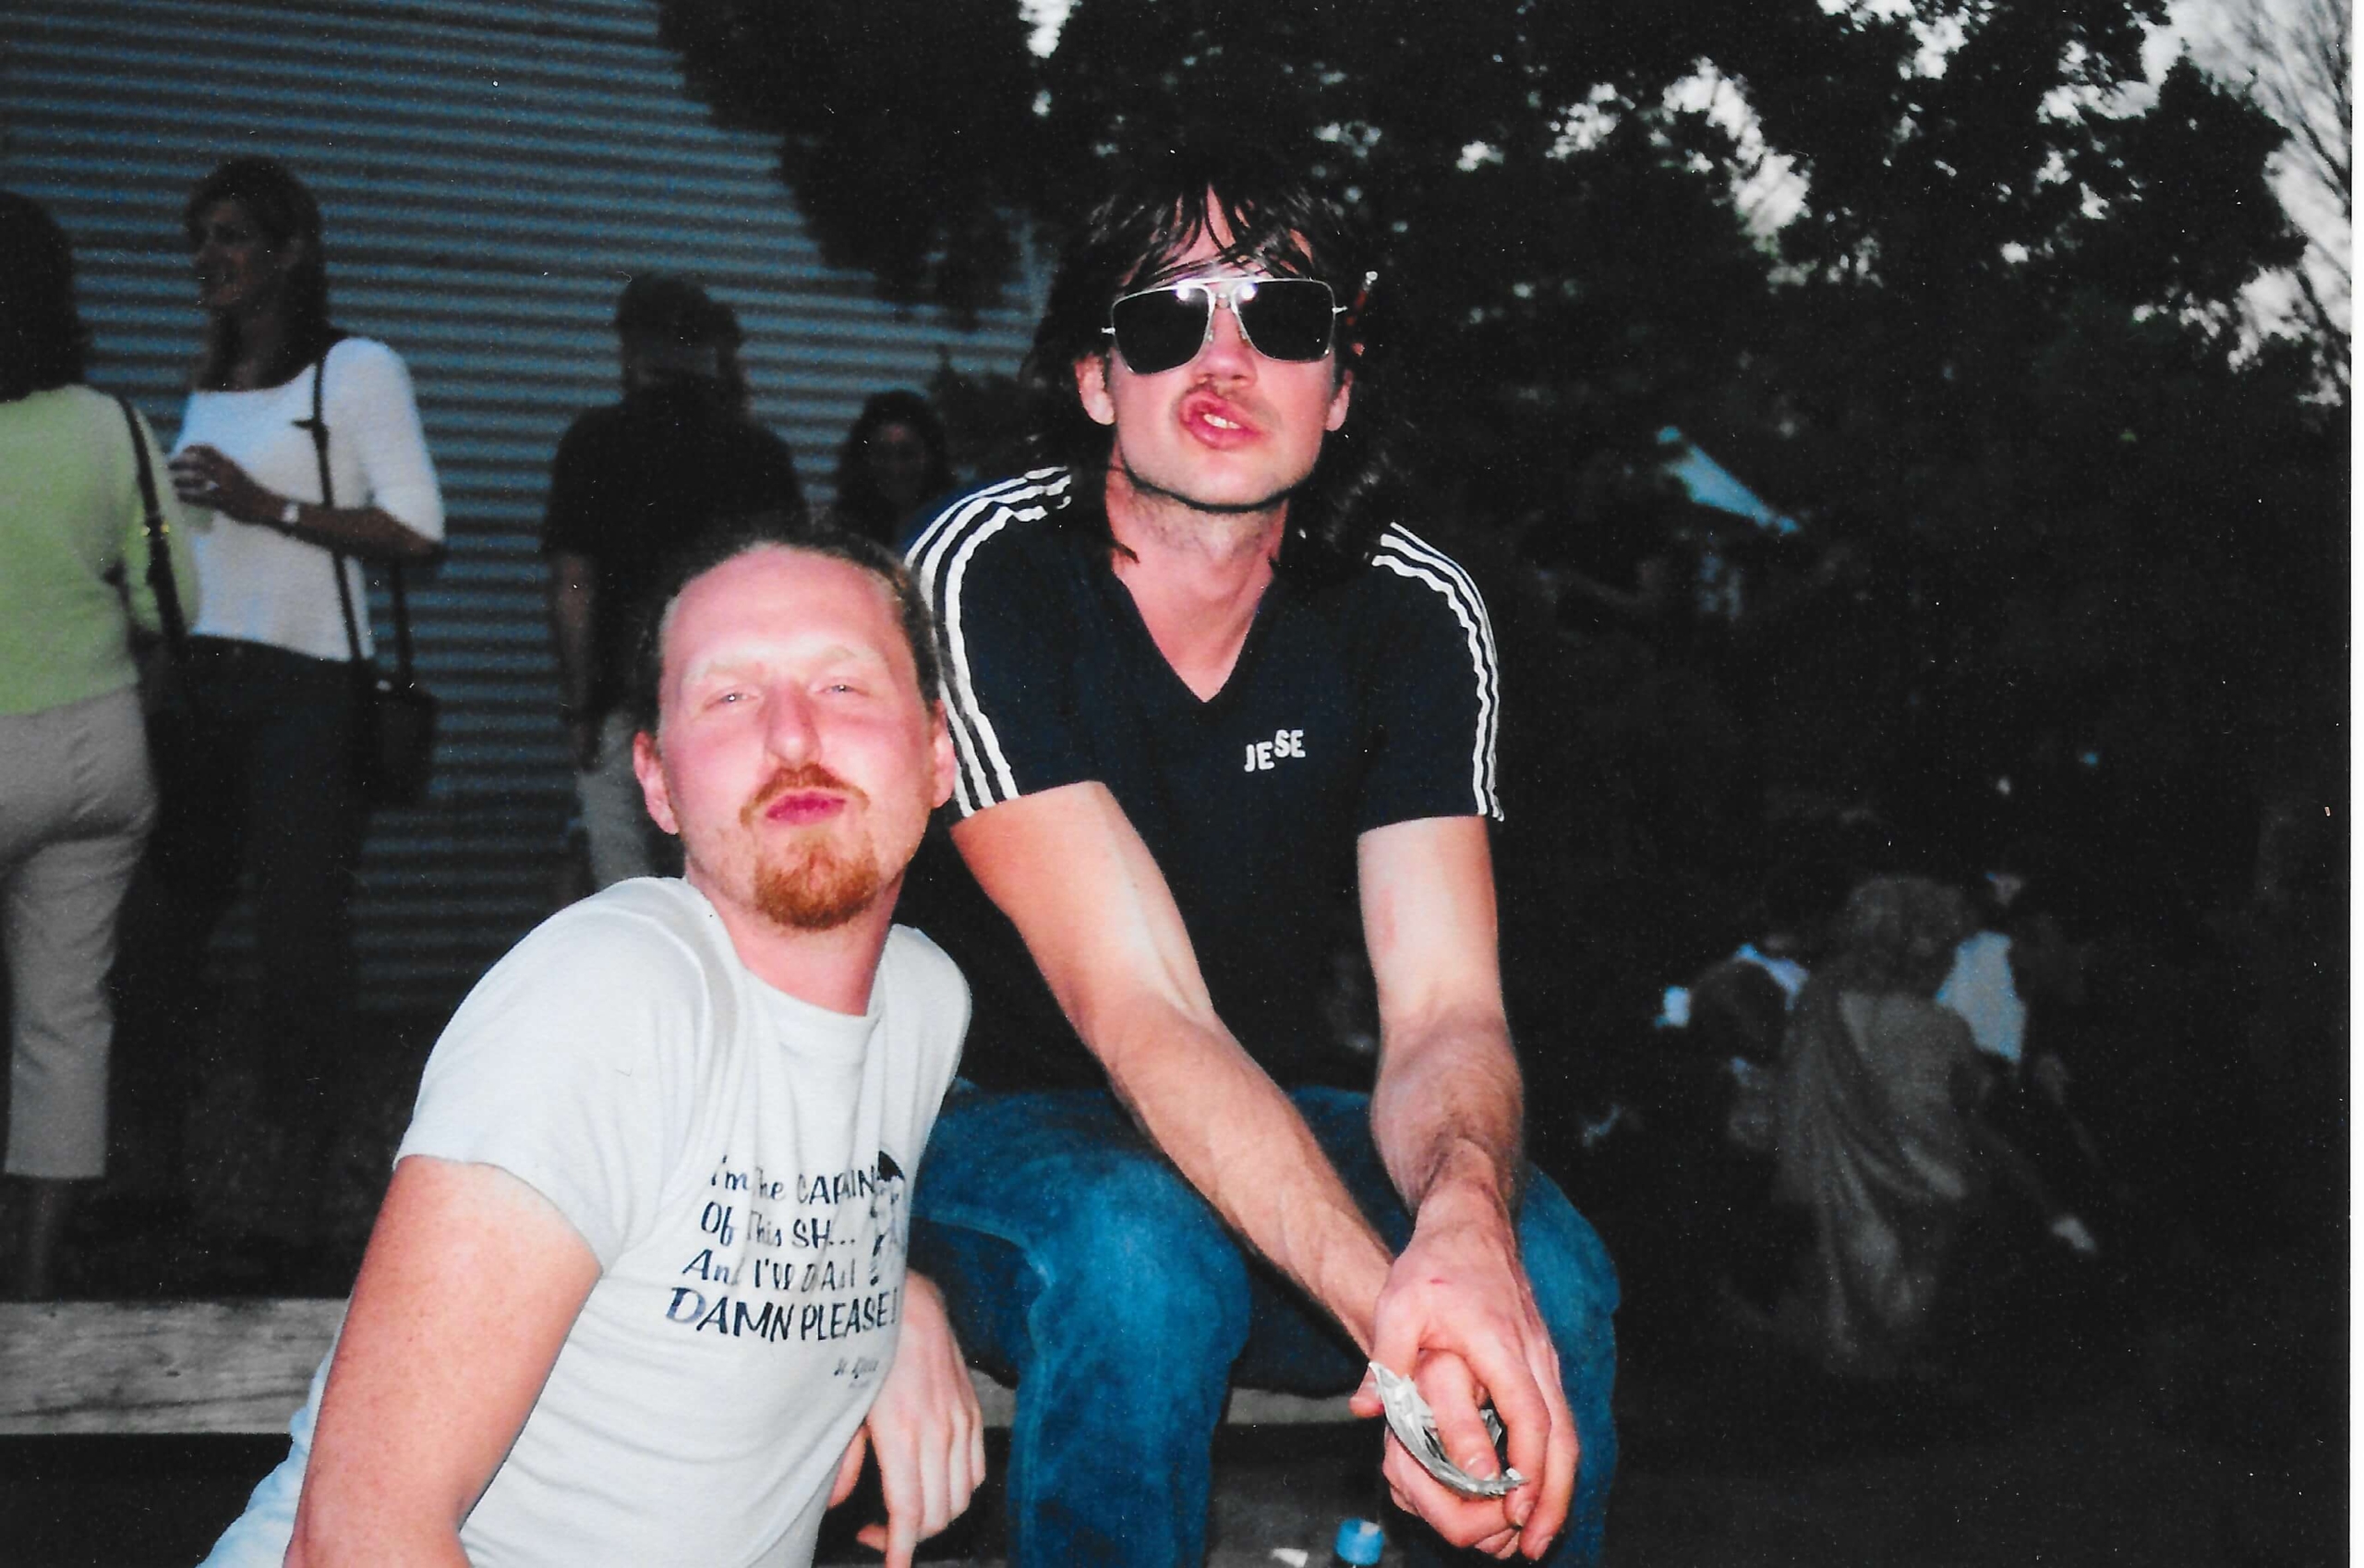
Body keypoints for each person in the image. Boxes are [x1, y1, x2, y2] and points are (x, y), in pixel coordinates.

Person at [898, 142, 1617, 1565]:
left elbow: (1445, 1009)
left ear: (1339, 387)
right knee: (1138, 1248)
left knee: (1551, 1270)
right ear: (1095, 379)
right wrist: (1401, 1320)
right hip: (989, 1120)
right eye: (1166, 317)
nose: (1224, 359)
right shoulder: (986, 574)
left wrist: (1463, 1233)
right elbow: (1140, 1005)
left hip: (1256, 1108)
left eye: (1282, 317)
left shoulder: (1412, 611)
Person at [200, 519, 983, 1567]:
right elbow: (357, 1537)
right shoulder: (610, 992)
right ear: (655, 782)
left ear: (937, 751)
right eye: (728, 697)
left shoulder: (924, 1003)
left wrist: (901, 1299)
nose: (792, 737)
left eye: (843, 686)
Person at [127, 156, 443, 1210]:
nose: (207, 258)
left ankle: (300, 1189)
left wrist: (270, 508)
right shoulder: (208, 378)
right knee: (158, 936)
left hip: (306, 689)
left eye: (230, 236)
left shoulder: (354, 370)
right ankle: (150, 1177)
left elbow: (417, 531)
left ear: (289, 251)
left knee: (299, 941)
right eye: (198, 240)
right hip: (200, 682)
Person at [0, 191, 197, 1298]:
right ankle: (30, 1293)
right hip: (102, 754)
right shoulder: (112, 425)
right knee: (65, 1020)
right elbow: (177, 596)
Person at [544, 272, 804, 889]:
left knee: (623, 877)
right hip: (729, 696)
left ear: (630, 348)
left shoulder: (593, 442)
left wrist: (580, 706)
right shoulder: (758, 452)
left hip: (621, 696)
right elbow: (791, 584)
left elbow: (574, 586)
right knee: (729, 871)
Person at [820, 389, 954, 548]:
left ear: (931, 457)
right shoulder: (841, 531)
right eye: (882, 455)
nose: (895, 469)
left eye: (907, 455)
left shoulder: (952, 525)